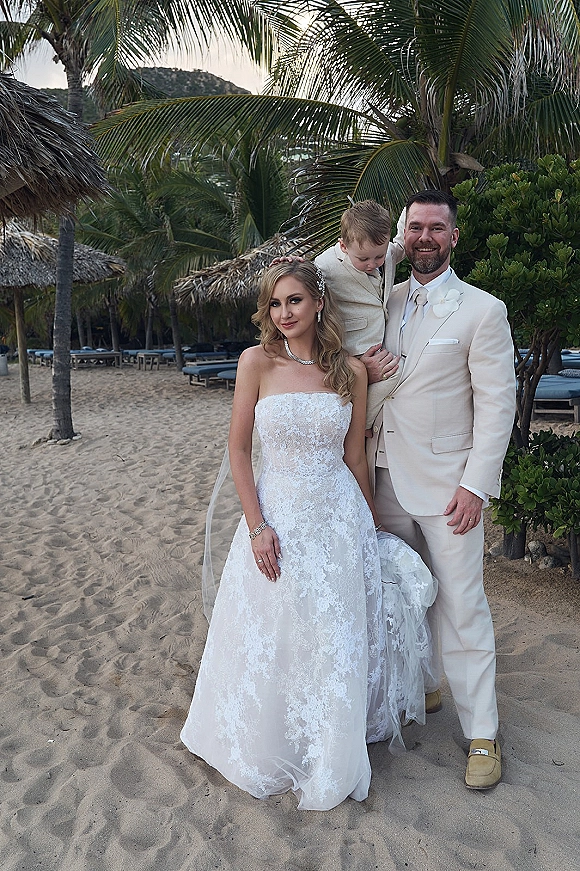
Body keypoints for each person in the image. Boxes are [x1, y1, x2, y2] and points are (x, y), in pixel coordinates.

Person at [180, 260, 436, 811]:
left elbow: (353, 459)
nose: (284, 313)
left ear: (318, 303)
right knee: (278, 624)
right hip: (278, 512)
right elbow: (239, 450)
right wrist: (257, 528)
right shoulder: (256, 362)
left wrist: (370, 526)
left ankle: (329, 742)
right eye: (275, 304)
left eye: (294, 301)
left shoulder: (350, 370)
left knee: (331, 630)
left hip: (338, 516)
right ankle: (272, 737)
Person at [365, 190, 516, 789]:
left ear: (454, 237)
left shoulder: (483, 310)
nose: (424, 237)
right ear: (403, 236)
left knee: (462, 607)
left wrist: (476, 485)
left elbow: (497, 405)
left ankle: (482, 734)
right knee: (402, 593)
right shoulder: (382, 298)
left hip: (450, 486)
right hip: (380, 479)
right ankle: (423, 688)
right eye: (415, 228)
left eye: (436, 228)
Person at [315, 200, 405, 428]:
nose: (372, 264)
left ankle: (360, 424)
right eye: (363, 259)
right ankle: (359, 425)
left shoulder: (386, 253)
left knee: (394, 374)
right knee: (392, 374)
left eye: (379, 257)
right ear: (343, 246)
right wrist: (292, 264)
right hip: (348, 349)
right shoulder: (325, 264)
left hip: (375, 344)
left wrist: (410, 209)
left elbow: (401, 245)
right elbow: (303, 279)